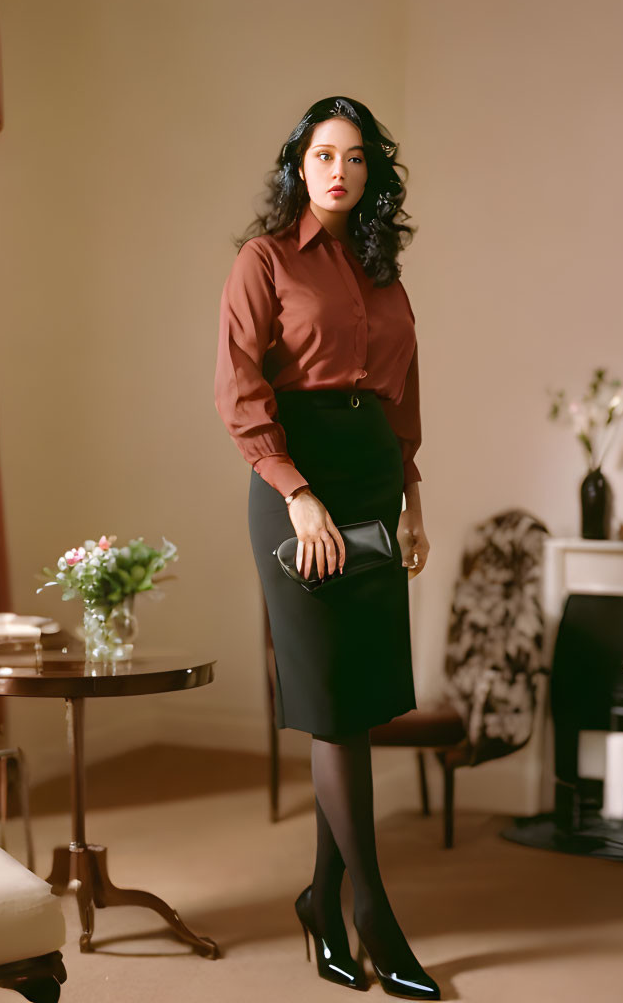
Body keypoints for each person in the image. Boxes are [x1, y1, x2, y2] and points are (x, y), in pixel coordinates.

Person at [214, 96, 438, 999]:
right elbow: (239, 393)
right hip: (295, 482)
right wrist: (296, 492)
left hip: (375, 475)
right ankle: (376, 916)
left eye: (353, 158)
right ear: (298, 168)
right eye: (321, 156)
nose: (337, 170)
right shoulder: (263, 260)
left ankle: (320, 896)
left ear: (371, 173)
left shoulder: (386, 277)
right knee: (331, 705)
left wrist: (413, 495)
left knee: (360, 700)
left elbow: (402, 400)